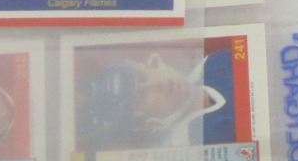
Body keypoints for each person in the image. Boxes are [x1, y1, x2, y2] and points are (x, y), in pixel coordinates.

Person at [77, 44, 238, 148]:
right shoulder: (199, 142)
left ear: (154, 62)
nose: (157, 84)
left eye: (143, 76)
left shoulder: (214, 63)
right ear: (150, 124)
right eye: (143, 96)